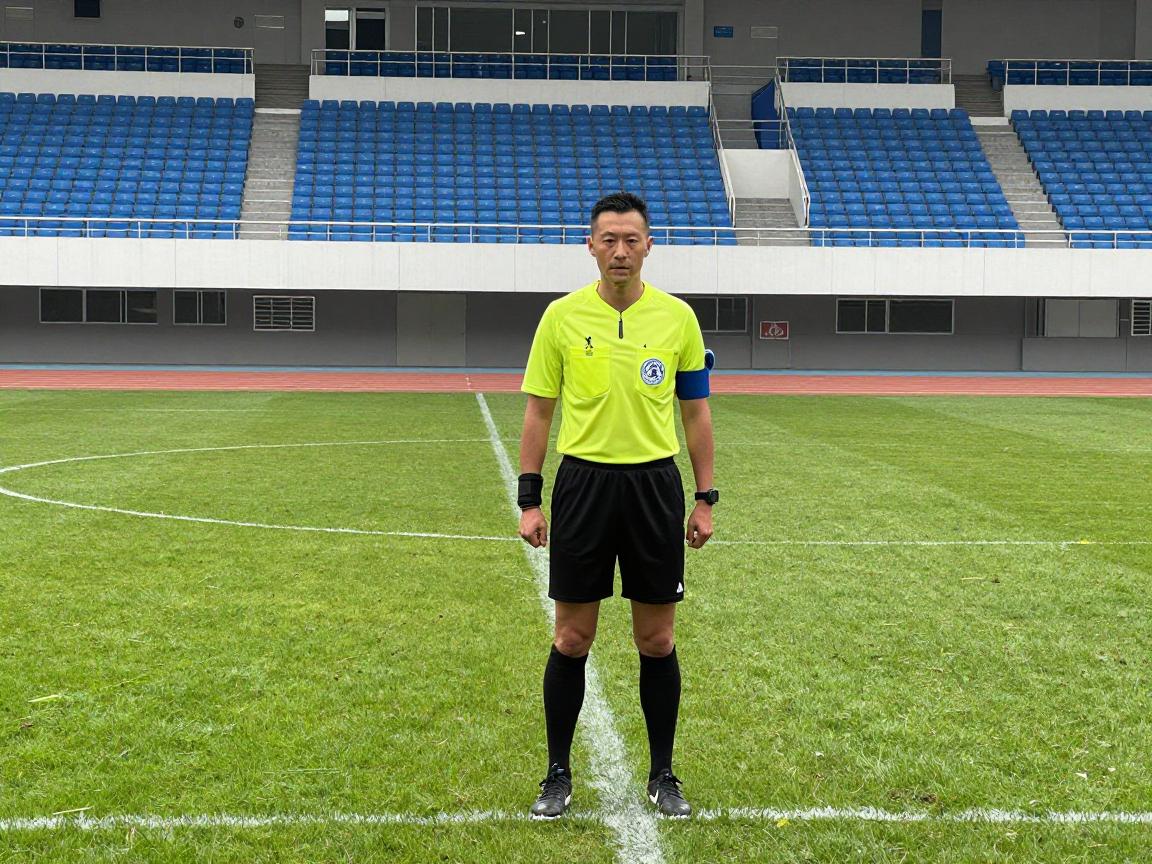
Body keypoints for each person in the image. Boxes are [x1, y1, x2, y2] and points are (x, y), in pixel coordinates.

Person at [516, 191, 717, 820]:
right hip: (584, 486)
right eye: (609, 239)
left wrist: (705, 497)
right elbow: (539, 410)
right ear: (591, 246)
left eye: (631, 239)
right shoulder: (561, 317)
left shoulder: (678, 319)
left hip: (654, 487)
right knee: (572, 637)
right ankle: (557, 774)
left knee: (657, 640)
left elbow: (696, 412)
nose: (620, 251)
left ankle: (663, 774)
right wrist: (530, 499)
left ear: (649, 245)